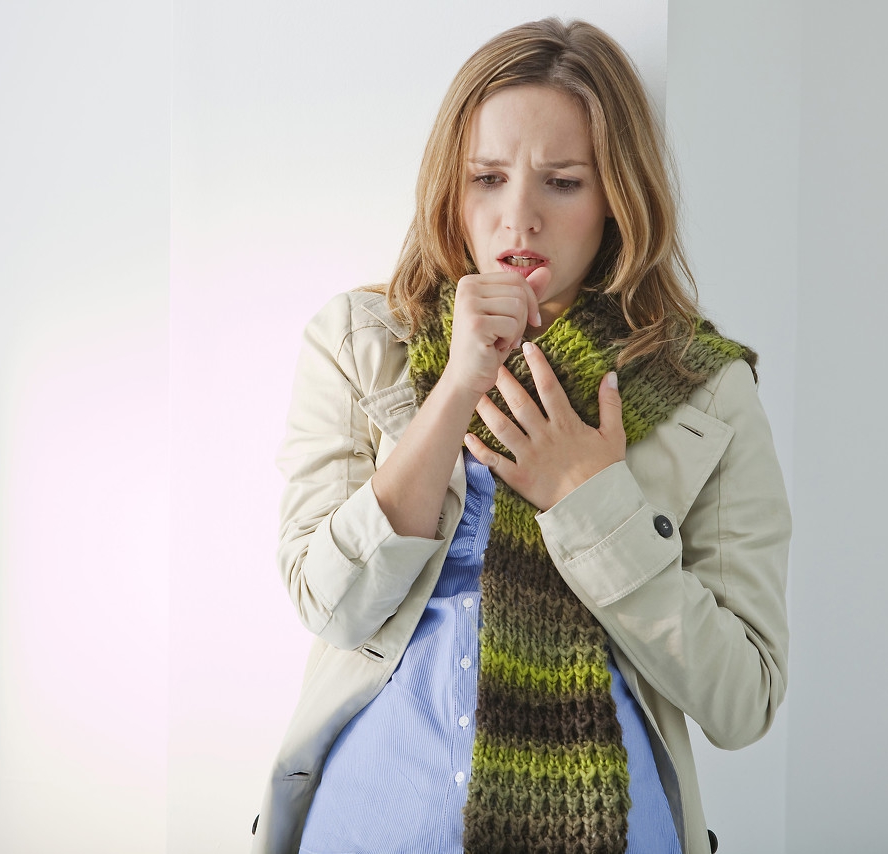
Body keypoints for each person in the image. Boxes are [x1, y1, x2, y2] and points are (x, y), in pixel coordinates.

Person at [250, 18, 790, 854]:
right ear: (449, 187)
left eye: (563, 182)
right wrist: (454, 392)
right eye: (488, 178)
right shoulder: (360, 343)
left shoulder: (707, 391)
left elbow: (743, 700)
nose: (519, 219)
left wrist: (593, 501)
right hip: (369, 824)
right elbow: (332, 605)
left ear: (617, 197)